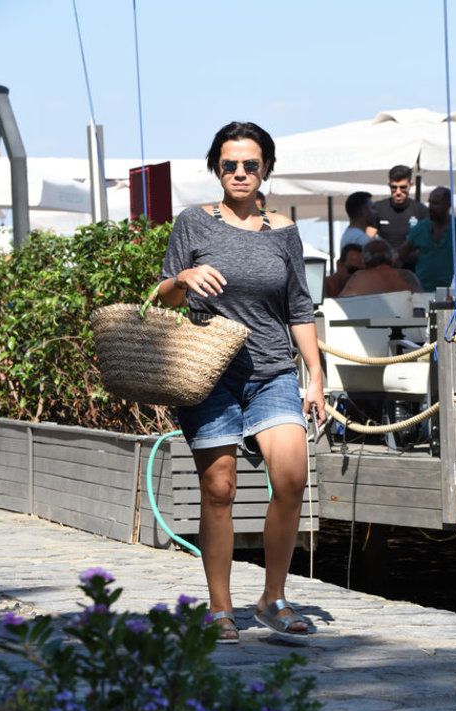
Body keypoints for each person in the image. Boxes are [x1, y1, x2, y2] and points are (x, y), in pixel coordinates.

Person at [158, 121, 325, 643]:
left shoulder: (284, 230)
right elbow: (163, 295)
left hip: (272, 371)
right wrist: (182, 279)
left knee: (291, 477)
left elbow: (299, 307)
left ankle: (272, 598)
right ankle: (220, 607)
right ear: (217, 168)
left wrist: (315, 376)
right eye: (229, 164)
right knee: (219, 489)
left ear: (266, 168)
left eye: (250, 164)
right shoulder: (194, 222)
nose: (239, 172)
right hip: (210, 374)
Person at [397, 186, 456, 292]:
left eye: (435, 203)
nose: (431, 207)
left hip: (451, 293)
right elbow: (399, 256)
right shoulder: (420, 227)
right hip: (422, 292)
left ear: (448, 204)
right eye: (430, 202)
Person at [374, 165, 428, 257]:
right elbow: (367, 238)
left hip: (411, 263)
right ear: (388, 184)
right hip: (384, 262)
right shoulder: (378, 208)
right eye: (394, 187)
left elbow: (426, 244)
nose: (398, 192)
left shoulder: (421, 211)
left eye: (403, 187)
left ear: (410, 184)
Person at [339, 239, 422, 296]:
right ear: (392, 259)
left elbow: (342, 303)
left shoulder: (360, 278)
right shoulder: (408, 277)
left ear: (363, 261)